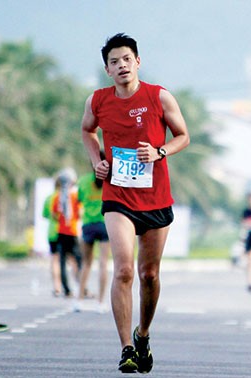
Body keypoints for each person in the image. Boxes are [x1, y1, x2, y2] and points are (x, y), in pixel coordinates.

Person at [81, 33, 190, 373]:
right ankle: (126, 347)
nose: (122, 65)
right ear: (107, 69)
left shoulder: (159, 96)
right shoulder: (97, 101)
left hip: (155, 198)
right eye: (114, 62)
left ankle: (143, 334)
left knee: (149, 274)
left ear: (137, 62)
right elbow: (87, 131)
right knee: (125, 270)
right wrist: (96, 160)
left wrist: (159, 152)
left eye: (127, 59)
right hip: (118, 196)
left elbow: (183, 136)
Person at [74, 151, 111, 313]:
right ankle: (101, 302)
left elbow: (79, 200)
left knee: (86, 264)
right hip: (105, 224)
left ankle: (79, 300)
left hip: (88, 225)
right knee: (103, 263)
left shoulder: (83, 181)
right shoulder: (110, 181)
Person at [51, 169, 83, 299]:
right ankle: (82, 286)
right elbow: (80, 213)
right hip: (73, 231)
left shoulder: (57, 197)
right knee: (79, 260)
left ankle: (67, 289)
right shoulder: (75, 196)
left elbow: (54, 214)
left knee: (62, 261)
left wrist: (62, 220)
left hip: (61, 231)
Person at [42, 178, 64, 297]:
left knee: (55, 259)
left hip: (52, 232)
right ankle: (82, 287)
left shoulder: (49, 198)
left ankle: (57, 287)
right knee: (73, 260)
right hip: (67, 231)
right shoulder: (68, 196)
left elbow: (45, 214)